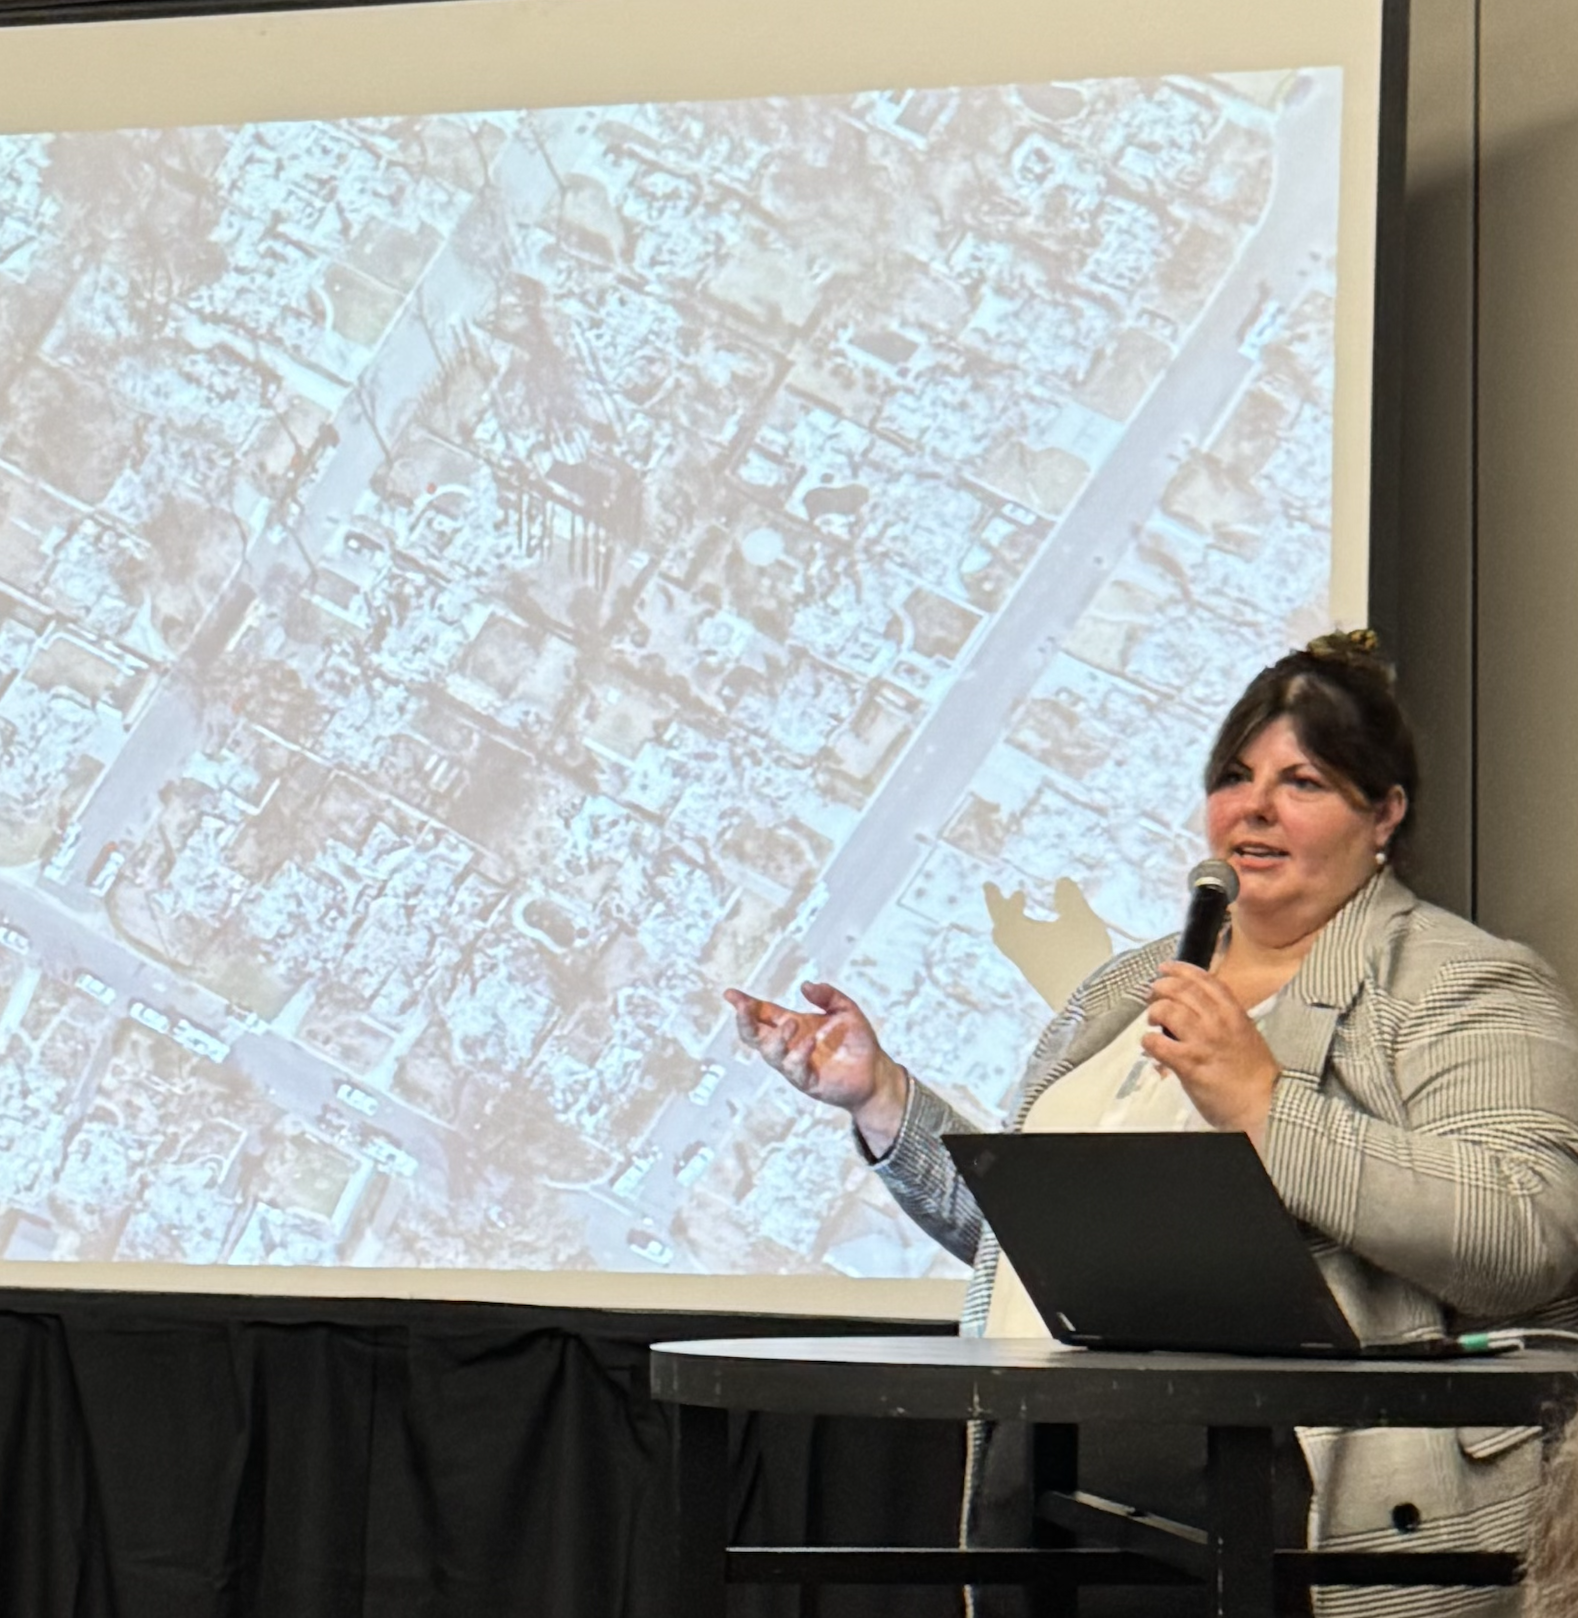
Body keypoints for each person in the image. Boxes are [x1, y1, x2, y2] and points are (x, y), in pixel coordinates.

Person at [726, 631, 1578, 1618]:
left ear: (1384, 813)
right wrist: (882, 1097)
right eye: (1234, 775)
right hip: (1048, 1509)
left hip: (1284, 1533)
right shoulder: (1128, 987)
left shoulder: (1457, 979)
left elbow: (1528, 1233)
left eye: (1302, 780)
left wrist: (1263, 1106)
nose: (1253, 807)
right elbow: (1047, 1241)